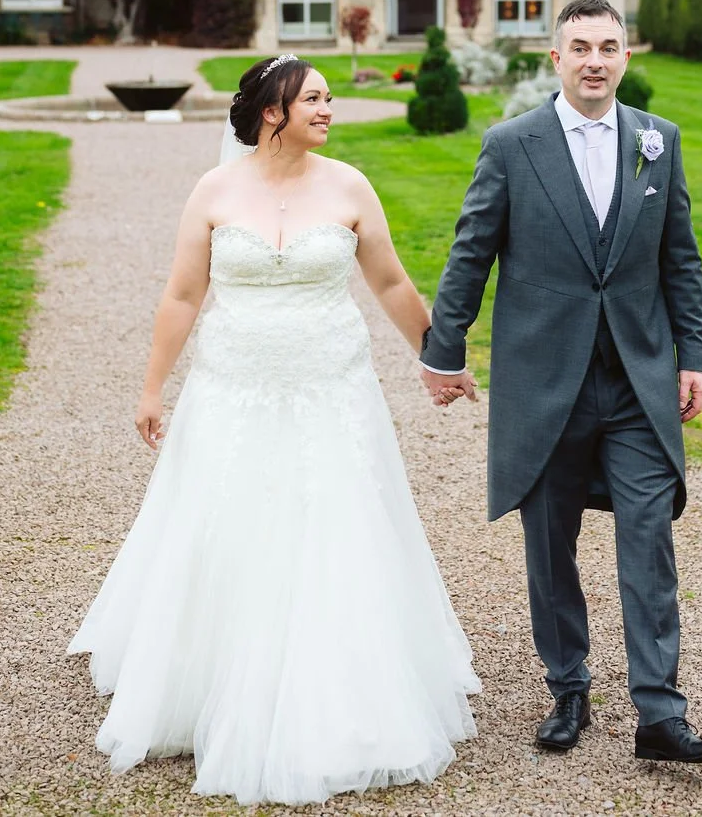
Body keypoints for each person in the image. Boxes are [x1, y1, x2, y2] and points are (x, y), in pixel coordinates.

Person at [69, 54, 480, 807]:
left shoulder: (350, 186)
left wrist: (438, 358)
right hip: (234, 388)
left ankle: (343, 689)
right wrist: (153, 385)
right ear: (272, 112)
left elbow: (390, 281)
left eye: (329, 98)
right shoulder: (215, 190)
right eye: (315, 99)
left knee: (336, 525)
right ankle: (212, 683)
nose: (329, 109)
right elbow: (183, 293)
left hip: (332, 388)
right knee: (228, 525)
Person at [419, 0, 702, 764]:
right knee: (549, 541)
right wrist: (443, 350)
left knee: (649, 539)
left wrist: (692, 354)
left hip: (637, 379)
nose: (596, 59)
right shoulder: (511, 145)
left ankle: (660, 713)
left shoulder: (661, 142)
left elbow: (680, 259)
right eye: (581, 46)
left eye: (610, 46)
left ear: (627, 57)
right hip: (544, 380)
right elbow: (471, 255)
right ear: (554, 58)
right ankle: (569, 686)